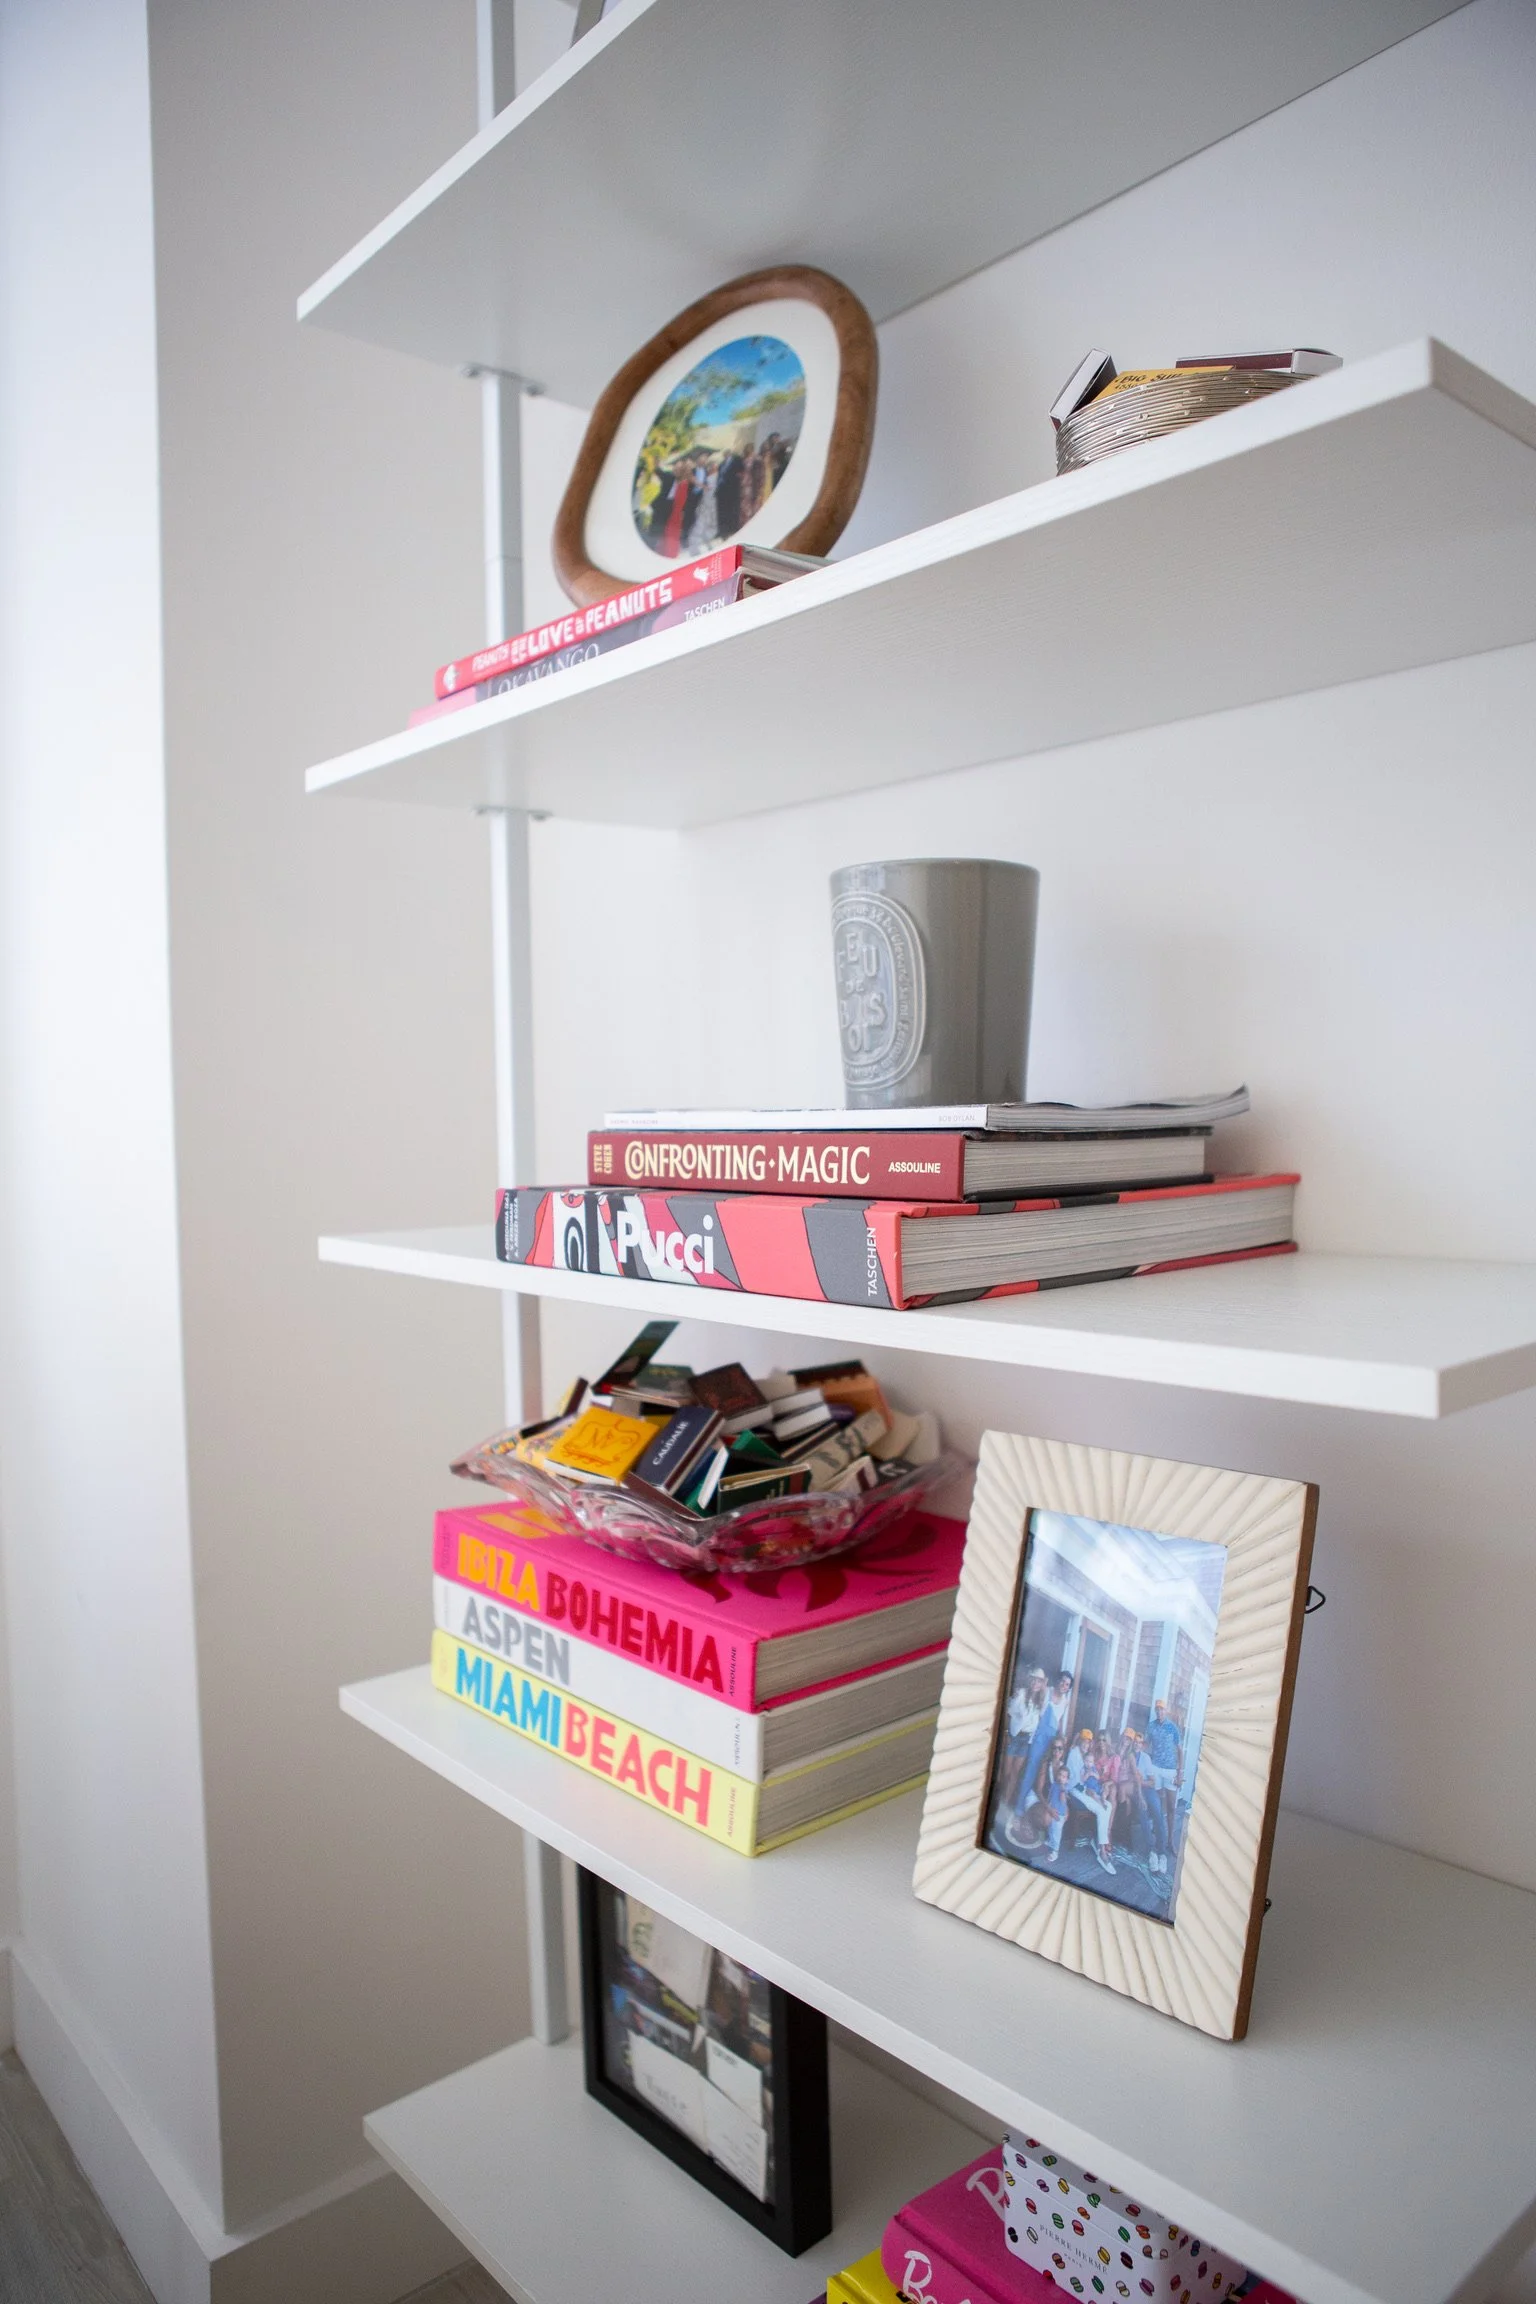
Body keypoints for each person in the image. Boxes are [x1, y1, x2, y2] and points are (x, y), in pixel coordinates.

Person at [1019, 1670, 1071, 1823]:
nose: (1063, 1685)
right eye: (1062, 1681)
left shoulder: (1065, 1701)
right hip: (1040, 1738)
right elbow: (1033, 1699)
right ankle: (1019, 1808)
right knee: (1030, 1772)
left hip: (1052, 1741)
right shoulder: (1047, 1691)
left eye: (1067, 1684)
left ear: (1068, 1688)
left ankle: (1038, 1809)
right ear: (1058, 1681)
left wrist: (1062, 1735)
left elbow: (1059, 1719)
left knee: (1045, 1773)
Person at [1066, 1729, 1116, 1875]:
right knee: (1102, 1810)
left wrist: (1092, 1790)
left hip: (1085, 1789)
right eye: (1084, 1740)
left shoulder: (1085, 1755)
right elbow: (1074, 1780)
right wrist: (1088, 1790)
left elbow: (1092, 1776)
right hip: (1075, 1790)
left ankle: (1099, 1840)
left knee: (1109, 1805)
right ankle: (1102, 1852)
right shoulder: (1074, 1753)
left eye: (1088, 1741)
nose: (1086, 1744)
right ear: (1080, 1740)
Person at [1144, 1698, 1183, 1849]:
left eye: (1162, 1709)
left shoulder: (1173, 1727)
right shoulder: (1151, 1726)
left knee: (1171, 1806)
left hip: (1170, 1770)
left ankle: (1170, 1840)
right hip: (1155, 1768)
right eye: (1157, 1709)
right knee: (1157, 1802)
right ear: (1155, 1711)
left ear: (1166, 1711)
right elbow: (1146, 1745)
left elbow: (1179, 1750)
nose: (1160, 1712)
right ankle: (1157, 1829)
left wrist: (1179, 1773)